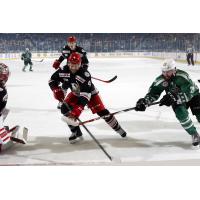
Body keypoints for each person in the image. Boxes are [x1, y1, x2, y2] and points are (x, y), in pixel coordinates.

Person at [49, 52, 126, 143]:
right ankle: (76, 132)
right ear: (68, 63)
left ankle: (118, 129)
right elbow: (52, 80)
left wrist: (79, 108)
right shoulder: (63, 70)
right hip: (76, 93)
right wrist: (55, 89)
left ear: (80, 64)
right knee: (64, 108)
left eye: (76, 65)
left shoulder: (85, 74)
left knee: (103, 113)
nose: (73, 67)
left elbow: (86, 94)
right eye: (71, 64)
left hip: (90, 94)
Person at [135, 58, 200, 147]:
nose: (165, 74)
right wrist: (145, 101)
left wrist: (172, 97)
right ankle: (194, 133)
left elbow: (189, 92)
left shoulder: (182, 76)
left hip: (194, 96)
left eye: (168, 71)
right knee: (181, 114)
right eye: (163, 71)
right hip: (176, 100)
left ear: (174, 69)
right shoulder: (160, 80)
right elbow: (153, 93)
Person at [0, 63, 25, 152]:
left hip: (1, 114)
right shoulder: (2, 89)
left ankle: (6, 132)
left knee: (3, 144)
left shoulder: (2, 89)